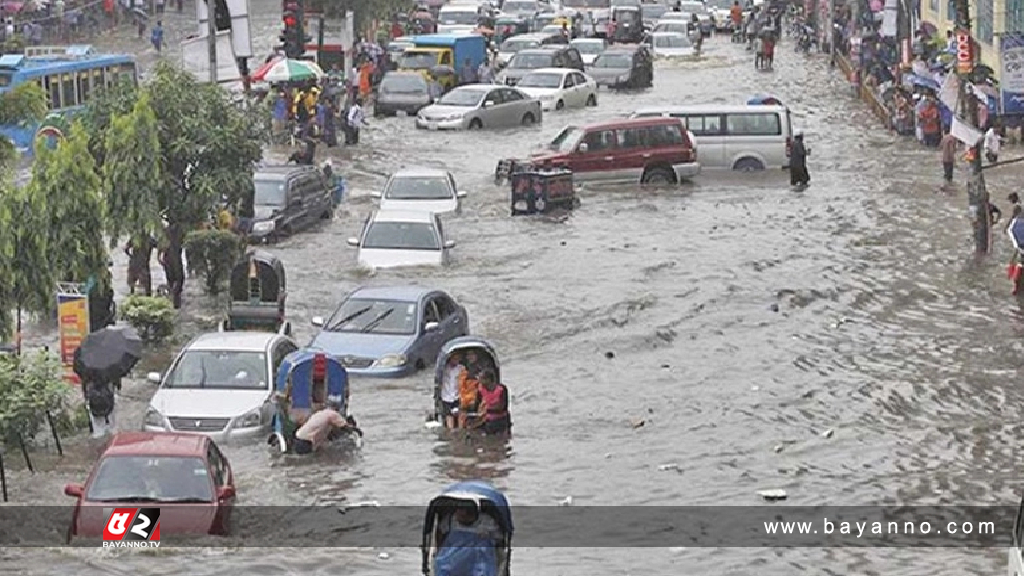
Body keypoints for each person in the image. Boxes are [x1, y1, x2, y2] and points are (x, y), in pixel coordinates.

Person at [474, 370, 511, 435]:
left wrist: (486, 410)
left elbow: (501, 407)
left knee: (503, 439)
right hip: (488, 421)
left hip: (501, 420)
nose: (479, 381)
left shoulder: (501, 389)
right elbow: (477, 405)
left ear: (488, 380)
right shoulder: (480, 390)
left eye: (481, 379)